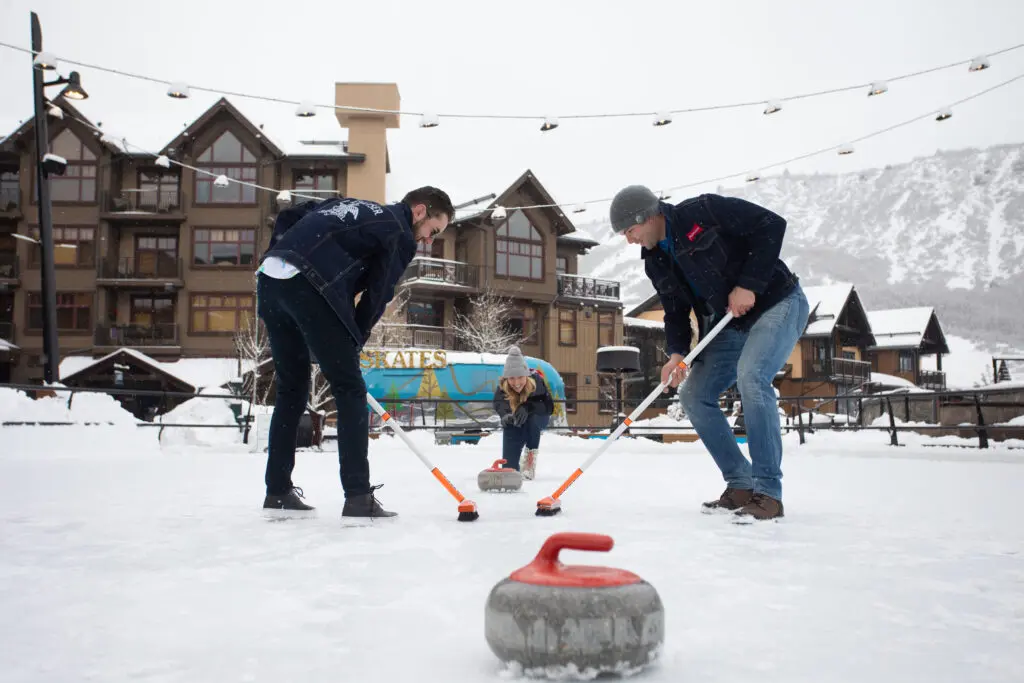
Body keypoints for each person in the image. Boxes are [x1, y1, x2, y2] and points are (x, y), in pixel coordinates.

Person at [609, 185, 809, 521]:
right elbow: (675, 311)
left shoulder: (702, 212)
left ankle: (768, 493)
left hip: (777, 302)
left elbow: (771, 225)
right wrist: (676, 354)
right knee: (694, 395)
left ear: (649, 216)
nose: (629, 240)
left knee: (752, 377)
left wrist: (749, 284)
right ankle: (741, 484)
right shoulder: (655, 261)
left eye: (630, 231)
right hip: (730, 322)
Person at [256, 187, 455, 517]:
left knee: (292, 387)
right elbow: (378, 294)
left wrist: (279, 252)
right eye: (432, 231)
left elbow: (291, 214)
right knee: (349, 390)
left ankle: (277, 490)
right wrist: (354, 340)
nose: (427, 241)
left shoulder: (349, 205)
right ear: (419, 211)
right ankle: (358, 496)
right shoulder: (398, 232)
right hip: (308, 284)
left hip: (270, 279)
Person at [492, 346, 554, 480]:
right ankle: (510, 466)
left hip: (538, 418)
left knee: (531, 420)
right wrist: (505, 415)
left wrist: (528, 406)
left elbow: (549, 407)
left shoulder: (536, 383)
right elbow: (499, 403)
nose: (516, 383)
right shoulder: (502, 387)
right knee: (510, 424)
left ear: (526, 375)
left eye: (520, 377)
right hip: (518, 419)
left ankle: (529, 463)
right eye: (511, 378)